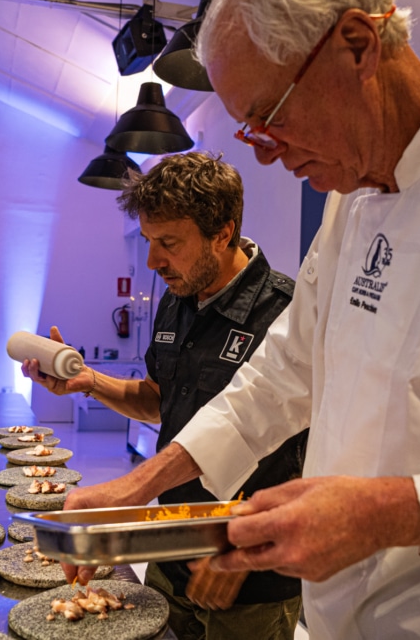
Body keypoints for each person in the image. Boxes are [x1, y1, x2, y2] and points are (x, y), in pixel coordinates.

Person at [55, 0, 420, 638]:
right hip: (342, 616)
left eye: (268, 115)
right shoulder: (353, 200)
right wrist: (144, 483)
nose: (266, 153)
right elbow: (280, 377)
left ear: (358, 44)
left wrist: (387, 514)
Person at [22, 151, 307, 639]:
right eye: (150, 241)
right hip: (169, 552)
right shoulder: (177, 300)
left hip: (247, 574)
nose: (154, 262)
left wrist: (243, 547)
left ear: (223, 232)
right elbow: (160, 400)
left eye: (168, 243)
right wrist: (90, 381)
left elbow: (309, 456)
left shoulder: (288, 313)